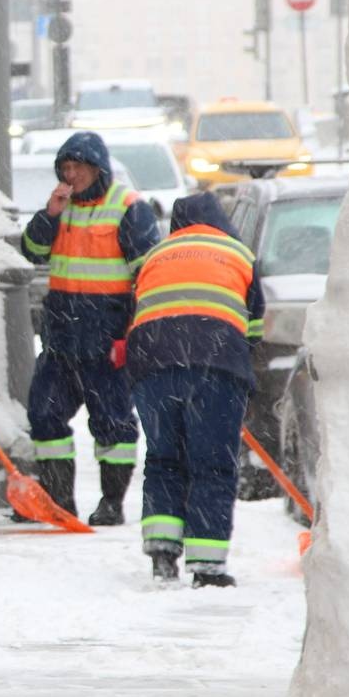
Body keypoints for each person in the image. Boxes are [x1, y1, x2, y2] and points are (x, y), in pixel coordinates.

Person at [19, 130, 161, 526]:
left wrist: (133, 334)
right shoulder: (60, 207)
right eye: (65, 168)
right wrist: (49, 215)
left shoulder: (129, 207)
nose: (71, 175)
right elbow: (31, 251)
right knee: (44, 414)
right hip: (61, 339)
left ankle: (111, 503)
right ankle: (60, 500)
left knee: (113, 423)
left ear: (98, 169)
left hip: (107, 337)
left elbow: (148, 276)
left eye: (78, 167)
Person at [125, 192, 265, 586]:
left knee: (164, 458)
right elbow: (253, 328)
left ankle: (162, 553)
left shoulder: (157, 254)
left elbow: (138, 312)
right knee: (212, 463)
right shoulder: (238, 254)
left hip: (153, 366)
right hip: (215, 364)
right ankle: (207, 565)